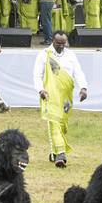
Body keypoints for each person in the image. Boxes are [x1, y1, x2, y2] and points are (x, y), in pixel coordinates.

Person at [34, 30, 88, 167]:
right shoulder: (44, 55)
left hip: (66, 97)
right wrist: (41, 90)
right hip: (49, 95)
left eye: (64, 43)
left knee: (62, 125)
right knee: (54, 122)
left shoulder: (71, 55)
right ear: (53, 40)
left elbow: (78, 72)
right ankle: (60, 154)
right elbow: (37, 75)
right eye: (59, 43)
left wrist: (83, 88)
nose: (62, 46)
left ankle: (54, 151)